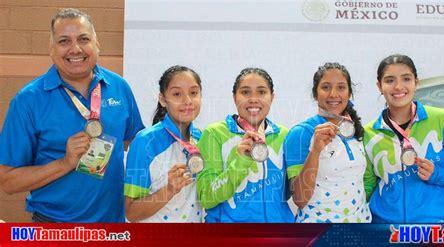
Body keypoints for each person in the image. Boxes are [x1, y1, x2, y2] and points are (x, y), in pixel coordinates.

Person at [0, 8, 144, 222]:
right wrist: (65, 162)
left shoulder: (119, 87)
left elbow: (135, 144)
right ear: (51, 49)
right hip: (54, 229)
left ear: (97, 44)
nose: (75, 49)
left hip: (113, 228)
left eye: (83, 39)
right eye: (64, 41)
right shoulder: (28, 100)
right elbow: (8, 182)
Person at [364, 54, 444, 223]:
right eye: (390, 80)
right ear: (379, 86)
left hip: (435, 228)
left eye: (406, 79)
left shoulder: (441, 119)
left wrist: (437, 174)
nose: (398, 87)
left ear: (416, 82)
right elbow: (367, 186)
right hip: (386, 230)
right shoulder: (369, 132)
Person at [197, 67, 294, 222]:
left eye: (261, 92)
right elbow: (207, 197)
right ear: (235, 97)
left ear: (272, 97)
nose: (253, 99)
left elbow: (287, 192)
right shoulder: (214, 134)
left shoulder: (284, 135)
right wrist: (240, 162)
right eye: (245, 92)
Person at [284, 62, 371, 223]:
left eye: (341, 87)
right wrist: (315, 151)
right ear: (315, 94)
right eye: (326, 87)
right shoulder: (301, 133)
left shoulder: (356, 130)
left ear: (349, 93)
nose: (333, 94)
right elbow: (300, 199)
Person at [124, 65, 203, 222]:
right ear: (162, 99)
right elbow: (131, 212)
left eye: (193, 93)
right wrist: (169, 189)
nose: (187, 101)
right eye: (177, 94)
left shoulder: (202, 138)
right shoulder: (144, 143)